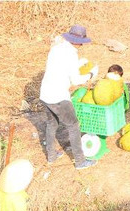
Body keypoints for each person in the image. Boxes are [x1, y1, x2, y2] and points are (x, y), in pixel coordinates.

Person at [39, 25, 98, 170]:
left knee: (52, 124)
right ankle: (80, 162)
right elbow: (76, 80)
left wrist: (79, 64)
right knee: (73, 126)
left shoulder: (56, 48)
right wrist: (91, 74)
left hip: (45, 93)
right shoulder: (71, 54)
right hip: (59, 97)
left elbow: (59, 67)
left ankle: (51, 156)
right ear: (78, 41)